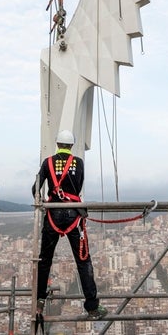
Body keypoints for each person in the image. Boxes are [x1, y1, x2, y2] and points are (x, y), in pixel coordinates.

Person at [32, 129, 107, 320]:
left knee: (44, 260)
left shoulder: (48, 162)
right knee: (83, 261)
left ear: (57, 144)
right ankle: (92, 307)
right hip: (74, 215)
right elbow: (79, 185)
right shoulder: (79, 163)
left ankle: (39, 300)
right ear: (72, 146)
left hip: (52, 216)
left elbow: (36, 189)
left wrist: (45, 198)